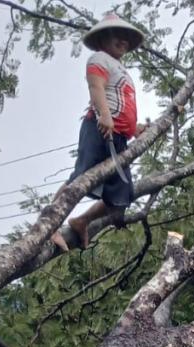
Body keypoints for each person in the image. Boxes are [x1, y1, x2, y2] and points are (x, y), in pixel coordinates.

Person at [52, 14, 146, 251]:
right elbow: (97, 88)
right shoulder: (99, 59)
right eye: (117, 36)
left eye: (126, 38)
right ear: (104, 37)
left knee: (123, 192)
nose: (123, 41)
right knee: (81, 177)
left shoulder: (121, 69)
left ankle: (81, 221)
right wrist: (104, 115)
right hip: (98, 128)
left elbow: (121, 103)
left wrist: (135, 129)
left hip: (119, 137)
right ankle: (49, 226)